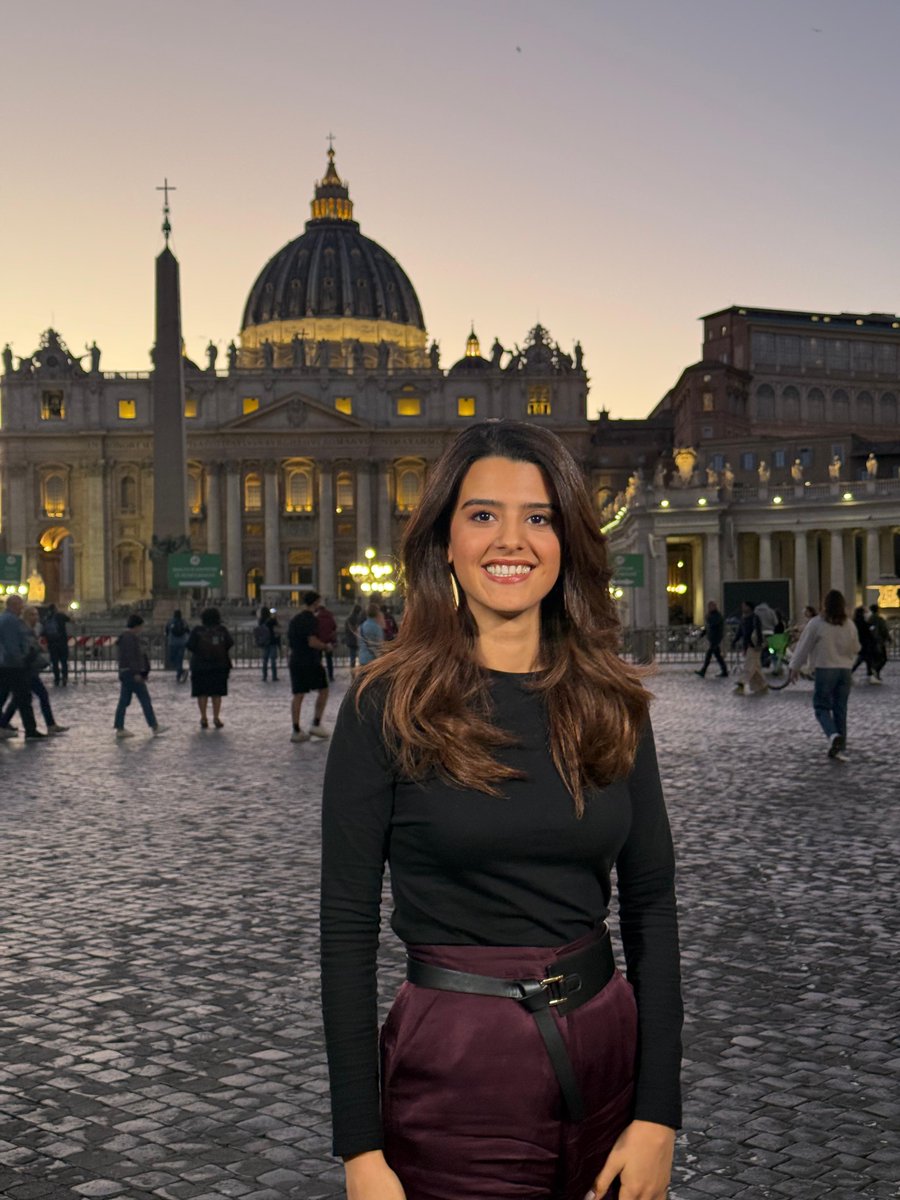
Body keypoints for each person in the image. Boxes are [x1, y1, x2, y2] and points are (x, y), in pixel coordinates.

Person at [320, 420, 682, 1200]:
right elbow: (344, 930)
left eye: (539, 517)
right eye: (483, 514)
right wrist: (361, 1152)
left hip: (607, 1054)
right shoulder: (385, 704)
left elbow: (651, 905)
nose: (510, 540)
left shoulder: (615, 700)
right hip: (456, 1071)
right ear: (443, 539)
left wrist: (659, 1114)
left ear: (566, 542)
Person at [789, 590, 860, 760]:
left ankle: (833, 734)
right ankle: (841, 748)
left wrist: (794, 667)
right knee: (840, 710)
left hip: (825, 668)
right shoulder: (849, 624)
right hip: (845, 670)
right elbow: (856, 648)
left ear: (825, 604)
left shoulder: (817, 623)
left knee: (821, 707)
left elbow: (803, 646)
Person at [0, 606, 67, 735]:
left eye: (36, 614)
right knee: (24, 698)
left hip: (27, 667)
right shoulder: (21, 628)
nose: (35, 617)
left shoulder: (36, 628)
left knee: (20, 699)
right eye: (32, 614)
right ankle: (43, 726)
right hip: (23, 667)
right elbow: (23, 647)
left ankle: (5, 724)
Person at [113, 614, 166, 740]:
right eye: (141, 626)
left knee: (124, 700)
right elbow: (132, 657)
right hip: (131, 674)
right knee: (144, 699)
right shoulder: (130, 638)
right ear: (136, 626)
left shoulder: (125, 637)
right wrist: (137, 672)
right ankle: (154, 725)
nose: (142, 629)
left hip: (126, 672)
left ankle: (119, 727)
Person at [287, 592, 331, 742]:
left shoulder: (295, 619)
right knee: (323, 690)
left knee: (298, 695)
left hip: (295, 659)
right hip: (310, 660)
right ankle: (316, 723)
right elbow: (312, 642)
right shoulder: (311, 620)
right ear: (316, 603)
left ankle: (296, 729)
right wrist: (325, 646)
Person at [0, 595, 44, 740]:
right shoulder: (11, 621)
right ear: (13, 605)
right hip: (13, 666)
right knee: (24, 697)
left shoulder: (5, 619)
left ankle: (4, 724)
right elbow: (12, 645)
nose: (22, 608)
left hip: (6, 664)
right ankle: (30, 730)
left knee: (9, 696)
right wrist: (21, 660)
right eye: (20, 605)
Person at [187, 607, 233, 729]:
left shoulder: (197, 630)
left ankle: (203, 717)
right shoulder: (222, 630)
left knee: (202, 693)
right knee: (216, 693)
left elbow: (190, 645)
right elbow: (229, 644)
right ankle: (216, 717)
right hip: (219, 666)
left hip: (200, 666)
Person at [732, 600, 767, 695]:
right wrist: (734, 641)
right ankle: (762, 685)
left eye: (744, 606)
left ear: (749, 607)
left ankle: (741, 684)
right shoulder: (743, 618)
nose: (742, 608)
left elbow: (758, 632)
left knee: (749, 666)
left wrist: (758, 644)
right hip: (747, 646)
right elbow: (740, 631)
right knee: (755, 667)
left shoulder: (755, 618)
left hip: (753, 646)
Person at [694, 599, 728, 678]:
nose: (709, 608)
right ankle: (724, 670)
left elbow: (713, 625)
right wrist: (702, 634)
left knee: (709, 654)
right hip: (712, 638)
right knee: (718, 656)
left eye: (711, 606)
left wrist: (708, 619)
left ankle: (703, 670)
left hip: (716, 638)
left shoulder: (717, 616)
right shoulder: (711, 615)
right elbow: (708, 627)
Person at [42, 603, 72, 686]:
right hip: (62, 642)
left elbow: (43, 632)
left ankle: (57, 679)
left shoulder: (46, 618)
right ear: (56, 609)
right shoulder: (60, 616)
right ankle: (65, 678)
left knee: (55, 662)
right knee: (63, 661)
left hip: (52, 643)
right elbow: (71, 620)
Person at [850, 605, 876, 681]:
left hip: (861, 642)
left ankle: (869, 674)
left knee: (866, 659)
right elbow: (867, 632)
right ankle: (869, 675)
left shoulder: (855, 621)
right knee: (863, 659)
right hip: (864, 643)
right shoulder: (862, 622)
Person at [355, 602, 384, 669]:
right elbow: (380, 645)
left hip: (362, 658)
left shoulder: (361, 627)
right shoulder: (377, 627)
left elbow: (358, 642)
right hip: (374, 660)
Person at [165, 608, 190, 682]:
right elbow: (188, 631)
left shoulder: (170, 621)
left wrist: (168, 637)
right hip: (182, 643)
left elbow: (166, 631)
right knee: (180, 659)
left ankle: (180, 673)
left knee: (172, 659)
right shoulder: (184, 622)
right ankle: (180, 673)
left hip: (172, 642)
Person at [316, 600, 339, 682]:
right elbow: (334, 627)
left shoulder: (317, 617)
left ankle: (319, 676)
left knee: (319, 660)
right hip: (329, 641)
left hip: (319, 641)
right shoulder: (330, 616)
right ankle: (330, 676)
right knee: (329, 660)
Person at [256, 607, 281, 681]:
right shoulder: (272, 620)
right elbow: (278, 627)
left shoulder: (261, 620)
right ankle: (274, 676)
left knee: (265, 660)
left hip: (264, 642)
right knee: (273, 660)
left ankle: (264, 676)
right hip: (272, 641)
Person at [869, 603, 891, 683]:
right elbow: (884, 629)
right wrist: (888, 638)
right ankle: (876, 670)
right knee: (883, 658)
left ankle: (876, 673)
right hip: (879, 642)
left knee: (876, 658)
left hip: (872, 642)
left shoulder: (870, 619)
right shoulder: (879, 619)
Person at [343, 603, 364, 670]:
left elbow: (347, 629)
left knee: (352, 656)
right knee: (361, 655)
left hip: (351, 639)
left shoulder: (349, 618)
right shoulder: (360, 618)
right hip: (359, 639)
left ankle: (352, 670)